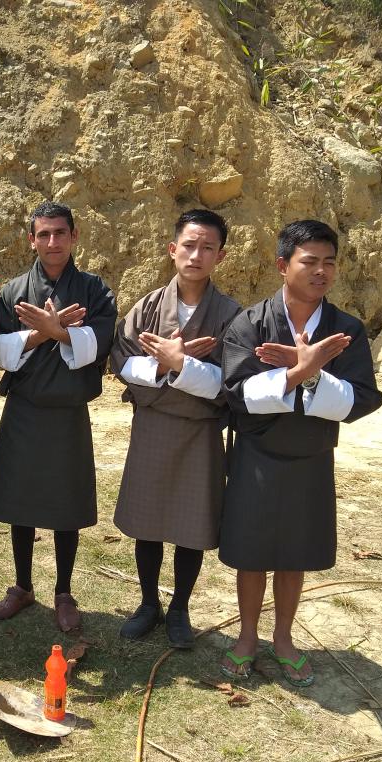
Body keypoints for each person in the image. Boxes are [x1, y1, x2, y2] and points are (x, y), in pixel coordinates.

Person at [218, 219, 382, 686]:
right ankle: (246, 637)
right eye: (309, 261)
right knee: (252, 553)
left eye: (329, 262)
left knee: (295, 552)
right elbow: (236, 392)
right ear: (282, 265)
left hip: (311, 456)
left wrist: (313, 374)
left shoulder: (345, 329)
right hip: (257, 454)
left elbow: (363, 398)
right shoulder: (250, 323)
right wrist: (298, 372)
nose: (321, 271)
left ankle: (284, 638)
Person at [110, 209, 242, 646]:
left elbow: (233, 381)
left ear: (221, 256)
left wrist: (181, 364)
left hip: (200, 432)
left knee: (191, 525)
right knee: (147, 521)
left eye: (207, 248)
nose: (196, 255)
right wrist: (165, 366)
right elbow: (120, 361)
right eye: (189, 245)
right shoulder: (148, 306)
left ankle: (180, 607)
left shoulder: (230, 315)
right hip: (153, 425)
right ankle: (149, 603)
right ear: (172, 250)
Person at [0, 201, 117, 632]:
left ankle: (63, 591)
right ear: (32, 240)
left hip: (67, 411)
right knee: (20, 502)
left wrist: (56, 331)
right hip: (23, 409)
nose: (53, 241)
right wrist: (46, 333)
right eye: (44, 234)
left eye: (61, 233)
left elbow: (100, 344)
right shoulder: (13, 291)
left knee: (66, 504)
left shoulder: (94, 290)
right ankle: (22, 585)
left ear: (74, 236)